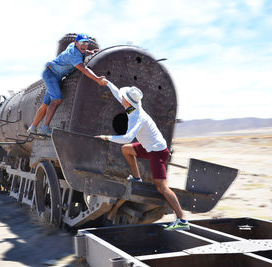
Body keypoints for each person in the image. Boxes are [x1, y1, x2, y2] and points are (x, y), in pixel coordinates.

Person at [95, 80, 189, 231]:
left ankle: (182, 219)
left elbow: (127, 137)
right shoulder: (131, 106)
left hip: (157, 152)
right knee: (127, 150)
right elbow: (117, 94)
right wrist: (107, 83)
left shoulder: (137, 116)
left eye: (123, 97)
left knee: (162, 187)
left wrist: (106, 137)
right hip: (149, 147)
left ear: (127, 100)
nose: (121, 98)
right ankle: (136, 177)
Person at [27, 33, 107, 136]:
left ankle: (33, 127)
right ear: (76, 43)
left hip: (56, 76)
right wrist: (97, 79)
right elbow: (84, 69)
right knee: (56, 100)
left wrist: (90, 52)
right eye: (82, 43)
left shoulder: (75, 47)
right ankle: (45, 128)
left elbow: (82, 51)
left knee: (46, 104)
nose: (84, 45)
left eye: (86, 43)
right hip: (51, 75)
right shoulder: (73, 55)